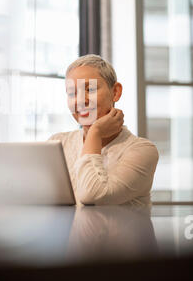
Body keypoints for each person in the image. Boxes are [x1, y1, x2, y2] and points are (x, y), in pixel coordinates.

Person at [48, 54, 159, 207]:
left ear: (115, 92)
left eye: (90, 89)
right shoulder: (59, 143)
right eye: (72, 93)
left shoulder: (143, 151)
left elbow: (92, 195)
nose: (80, 100)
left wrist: (95, 133)